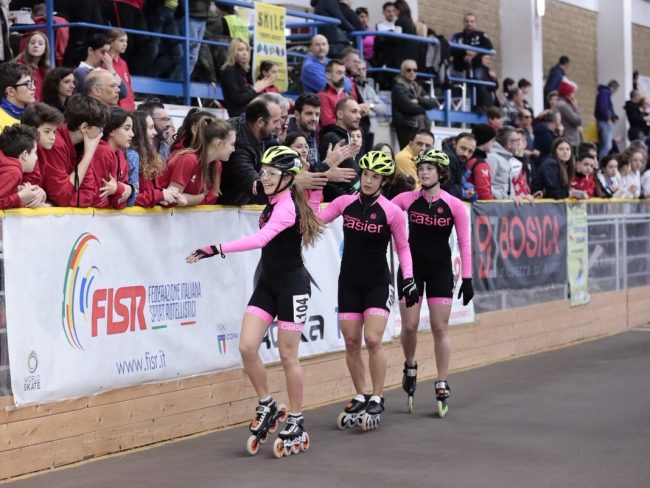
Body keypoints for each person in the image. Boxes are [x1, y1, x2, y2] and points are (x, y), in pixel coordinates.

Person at [187, 146, 323, 456]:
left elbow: (260, 240)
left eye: (271, 173)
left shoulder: (286, 206)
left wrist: (216, 248)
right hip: (268, 284)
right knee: (247, 347)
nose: (264, 178)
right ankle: (267, 403)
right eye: (263, 172)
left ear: (288, 179)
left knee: (289, 355)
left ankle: (298, 418)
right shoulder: (273, 199)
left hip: (292, 286)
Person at [314, 151, 417, 431]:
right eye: (365, 174)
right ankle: (360, 393)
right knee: (350, 342)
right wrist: (314, 188)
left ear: (384, 180)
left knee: (372, 340)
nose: (368, 180)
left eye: (375, 176)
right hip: (348, 281)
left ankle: (378, 396)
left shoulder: (392, 211)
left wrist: (408, 277)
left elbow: (404, 248)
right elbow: (316, 221)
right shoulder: (345, 202)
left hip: (376, 282)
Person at [391, 148, 472, 417]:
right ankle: (410, 365)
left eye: (429, 169)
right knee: (411, 326)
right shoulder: (408, 198)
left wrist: (468, 278)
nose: (424, 172)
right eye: (421, 168)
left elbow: (464, 242)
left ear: (441, 173)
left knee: (439, 327)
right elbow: (383, 210)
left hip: (440, 271)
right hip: (411, 270)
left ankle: (441, 380)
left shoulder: (453, 204)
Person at [41, 94, 108, 207]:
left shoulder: (82, 146)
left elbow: (90, 193)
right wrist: (88, 155)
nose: (101, 134)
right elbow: (61, 197)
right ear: (84, 127)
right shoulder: (55, 143)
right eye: (100, 128)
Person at [160, 116, 235, 206]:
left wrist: (189, 199)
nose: (233, 149)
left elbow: (212, 197)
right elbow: (171, 199)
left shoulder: (216, 164)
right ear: (219, 144)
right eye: (232, 144)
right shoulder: (188, 159)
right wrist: (201, 197)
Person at [220, 98, 282, 205]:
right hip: (218, 214)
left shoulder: (249, 126)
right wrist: (293, 182)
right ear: (260, 122)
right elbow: (258, 192)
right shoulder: (238, 147)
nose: (279, 126)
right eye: (275, 121)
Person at [130, 110, 184, 208]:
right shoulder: (131, 158)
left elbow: (155, 196)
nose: (155, 132)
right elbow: (131, 199)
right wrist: (161, 195)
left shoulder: (150, 158)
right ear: (139, 131)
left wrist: (172, 197)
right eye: (151, 128)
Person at [318, 97, 362, 201]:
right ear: (340, 114)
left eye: (359, 112)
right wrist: (348, 198)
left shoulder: (347, 138)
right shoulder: (332, 138)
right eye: (354, 112)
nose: (359, 116)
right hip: (338, 206)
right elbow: (327, 178)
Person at [89, 107, 133, 209]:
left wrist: (128, 190)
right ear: (112, 131)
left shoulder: (121, 154)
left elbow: (123, 202)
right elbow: (99, 200)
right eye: (127, 128)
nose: (132, 134)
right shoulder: (102, 152)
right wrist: (121, 190)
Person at [220, 38, 274, 117]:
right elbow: (237, 100)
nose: (244, 53)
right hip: (239, 117)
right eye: (240, 50)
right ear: (233, 52)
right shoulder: (229, 71)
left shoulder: (242, 71)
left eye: (247, 50)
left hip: (248, 115)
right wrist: (256, 89)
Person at [391, 59, 438, 150]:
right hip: (407, 126)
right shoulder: (398, 88)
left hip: (418, 125)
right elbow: (409, 107)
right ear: (402, 71)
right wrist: (425, 105)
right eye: (409, 70)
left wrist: (419, 100)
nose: (412, 72)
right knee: (409, 155)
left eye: (414, 70)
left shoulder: (417, 87)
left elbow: (433, 102)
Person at [0, 124, 45, 209]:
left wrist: (17, 192)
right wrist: (20, 196)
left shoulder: (6, 165)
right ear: (25, 154)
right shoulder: (13, 172)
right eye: (35, 152)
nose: (36, 158)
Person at [20, 102, 64, 187]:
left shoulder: (41, 150)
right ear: (31, 130)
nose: (53, 137)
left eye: (54, 132)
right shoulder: (24, 153)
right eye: (47, 131)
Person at [73, 34, 127, 102]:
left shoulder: (105, 71)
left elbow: (123, 93)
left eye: (108, 53)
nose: (106, 57)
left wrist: (111, 68)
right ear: (90, 50)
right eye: (103, 52)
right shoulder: (80, 72)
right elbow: (95, 95)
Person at [450, 12, 493, 77]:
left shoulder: (481, 35)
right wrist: (465, 52)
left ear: (475, 23)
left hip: (477, 67)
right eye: (467, 21)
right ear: (463, 22)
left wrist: (475, 52)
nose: (469, 23)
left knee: (480, 84)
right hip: (459, 68)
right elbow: (451, 49)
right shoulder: (457, 36)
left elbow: (489, 47)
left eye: (472, 21)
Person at [14, 31, 50, 102]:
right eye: (32, 43)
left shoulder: (44, 69)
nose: (36, 46)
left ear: (45, 49)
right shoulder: (19, 66)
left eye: (40, 44)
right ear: (27, 47)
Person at [0, 63, 36, 130]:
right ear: (10, 91)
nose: (34, 87)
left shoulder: (35, 115)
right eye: (28, 84)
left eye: (32, 82)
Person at [138, 98, 175, 162]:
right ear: (149, 120)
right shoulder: (134, 150)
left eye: (168, 119)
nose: (169, 124)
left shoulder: (166, 148)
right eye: (164, 119)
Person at [107, 28, 135, 110]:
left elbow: (129, 87)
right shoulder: (104, 62)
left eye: (126, 41)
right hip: (115, 109)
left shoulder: (123, 63)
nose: (125, 44)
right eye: (121, 41)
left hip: (129, 107)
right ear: (111, 42)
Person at [441, 132, 476, 199]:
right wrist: (463, 192)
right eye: (463, 148)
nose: (465, 154)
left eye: (470, 151)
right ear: (455, 144)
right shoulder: (450, 159)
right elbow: (446, 190)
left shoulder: (458, 159)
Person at [465, 123, 495, 200]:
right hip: (479, 209)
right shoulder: (480, 164)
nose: (493, 143)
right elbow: (484, 193)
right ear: (485, 140)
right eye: (492, 140)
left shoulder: (468, 158)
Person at [318, 59, 349, 128]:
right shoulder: (323, 96)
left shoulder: (344, 95)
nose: (343, 76)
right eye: (339, 73)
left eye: (344, 73)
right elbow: (327, 123)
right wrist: (350, 119)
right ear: (328, 75)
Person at [594, 79, 619, 159]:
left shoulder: (603, 92)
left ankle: (600, 162)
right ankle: (601, 163)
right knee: (607, 146)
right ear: (613, 88)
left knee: (603, 145)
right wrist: (608, 118)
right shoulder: (605, 93)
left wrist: (613, 116)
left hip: (602, 120)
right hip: (604, 122)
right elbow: (603, 107)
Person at [556, 81, 582, 148]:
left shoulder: (560, 104)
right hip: (570, 139)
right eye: (572, 93)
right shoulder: (563, 106)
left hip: (568, 139)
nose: (573, 95)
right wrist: (576, 107)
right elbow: (578, 121)